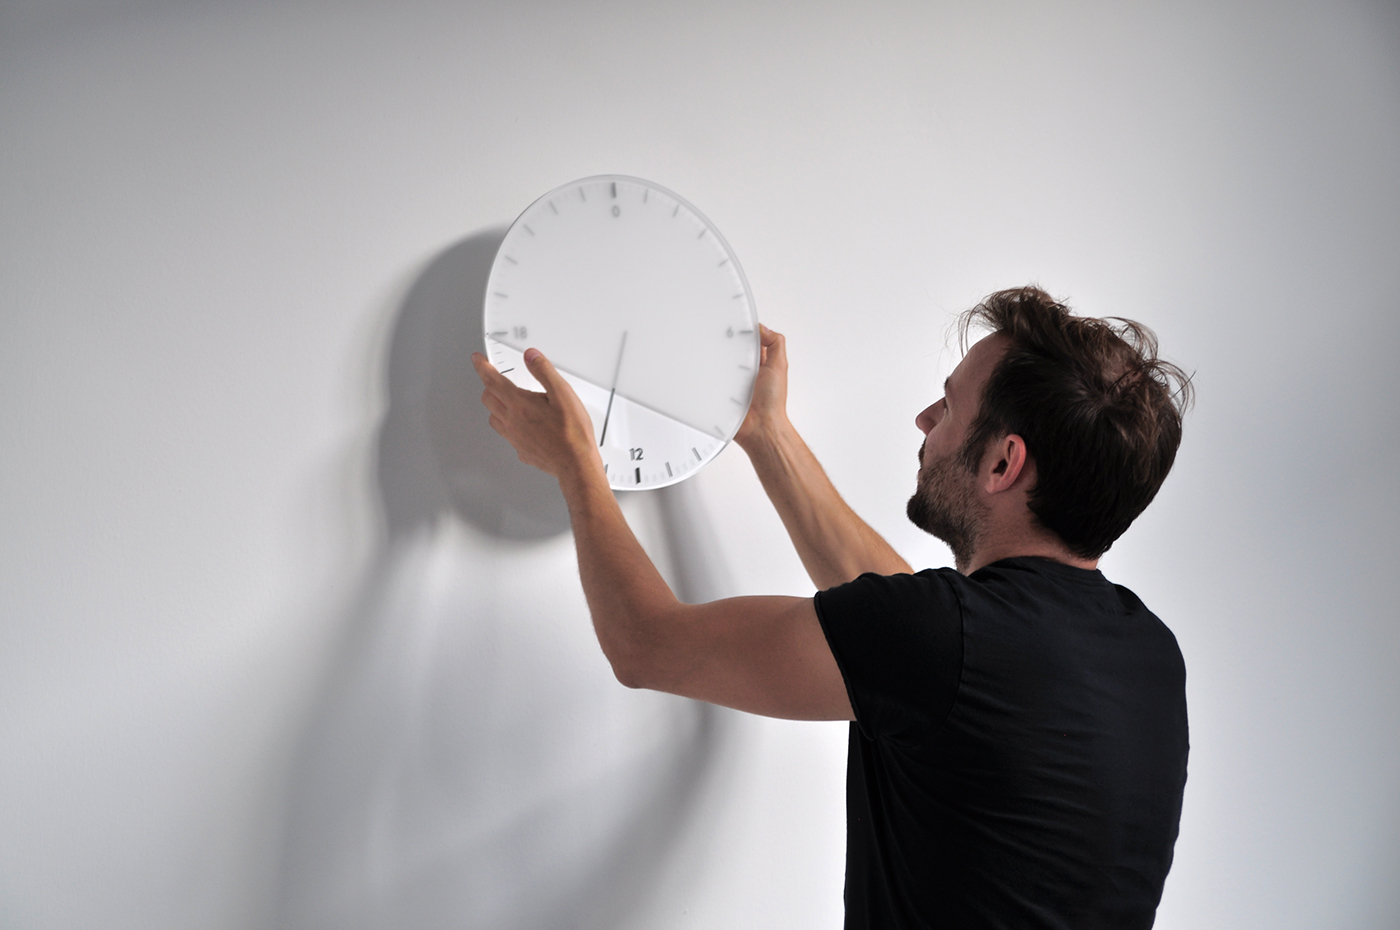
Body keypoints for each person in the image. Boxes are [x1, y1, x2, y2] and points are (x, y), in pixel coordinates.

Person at [471, 285, 1192, 929]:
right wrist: (769, 435)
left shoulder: (941, 640)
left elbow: (644, 644)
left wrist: (575, 460)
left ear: (1003, 463)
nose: (924, 419)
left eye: (948, 406)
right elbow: (922, 648)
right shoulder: (1149, 656)